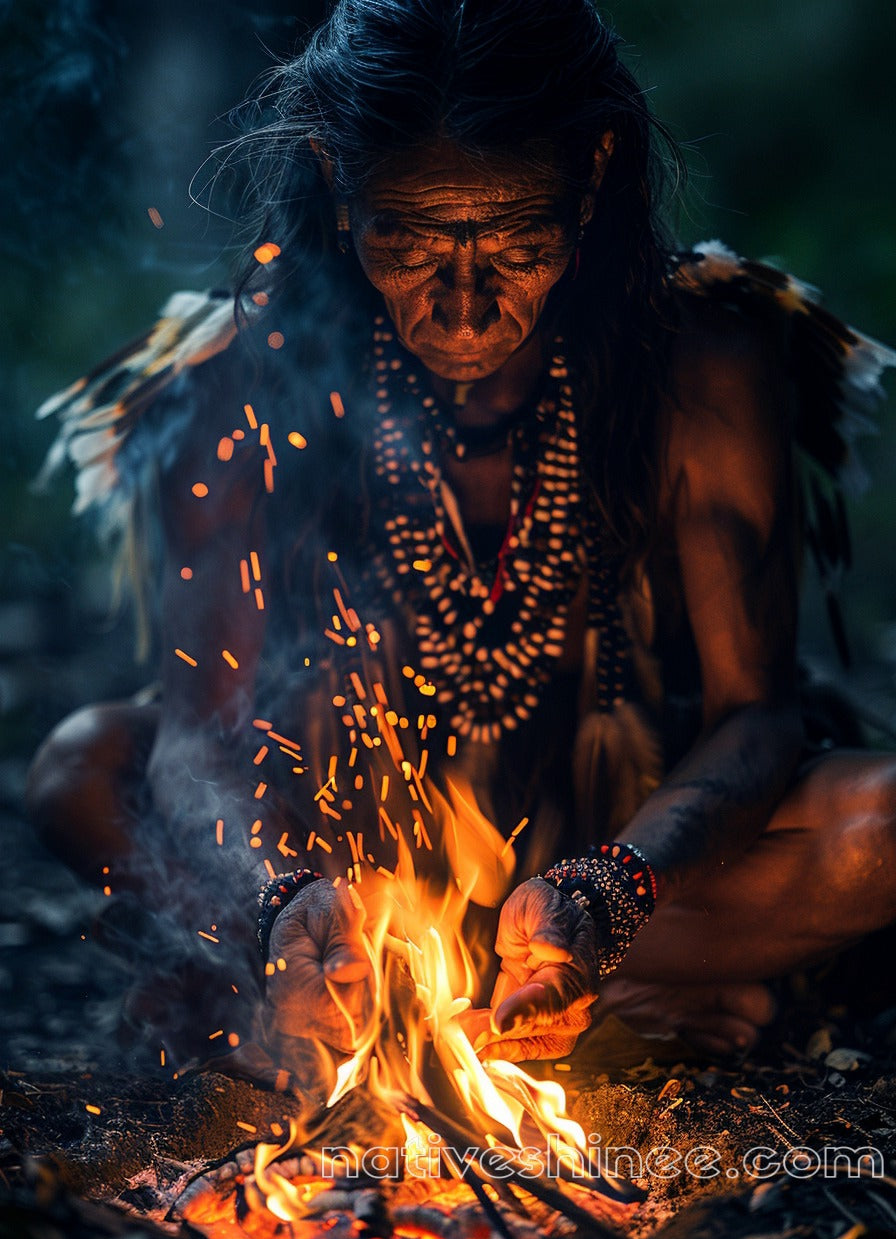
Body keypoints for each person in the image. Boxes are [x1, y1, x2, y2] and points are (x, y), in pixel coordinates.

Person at [27, 0, 896, 1077]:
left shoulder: (700, 364)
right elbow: (200, 738)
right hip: (348, 875)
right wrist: (278, 900)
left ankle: (504, 984)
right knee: (85, 769)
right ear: (334, 183)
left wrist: (608, 893)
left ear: (594, 177)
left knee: (880, 827)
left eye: (521, 244)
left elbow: (755, 717)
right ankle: (365, 976)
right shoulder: (239, 391)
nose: (466, 309)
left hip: (631, 848)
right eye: (406, 240)